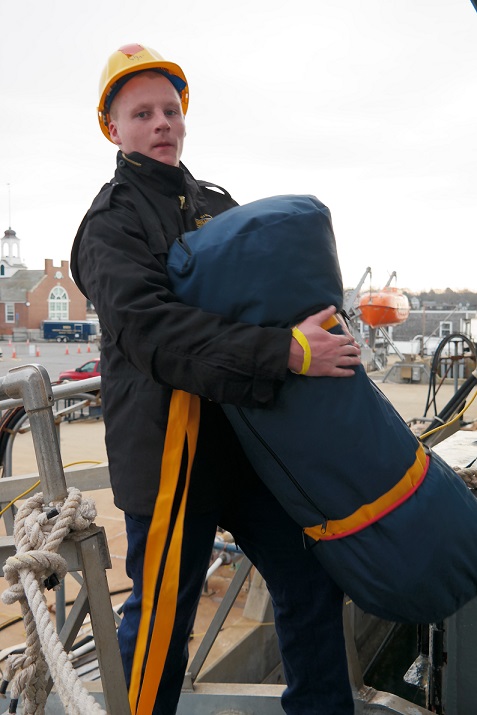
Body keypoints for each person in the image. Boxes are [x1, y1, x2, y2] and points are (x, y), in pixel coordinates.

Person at [71, 43, 361, 715]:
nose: (161, 123)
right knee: (163, 624)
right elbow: (152, 332)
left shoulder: (213, 201)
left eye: (170, 110)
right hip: (170, 454)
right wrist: (287, 352)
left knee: (309, 579)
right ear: (113, 128)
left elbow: (264, 292)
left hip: (246, 440)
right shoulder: (109, 224)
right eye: (141, 113)